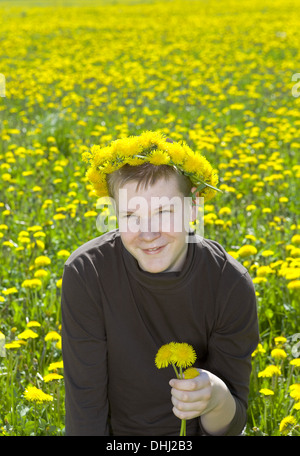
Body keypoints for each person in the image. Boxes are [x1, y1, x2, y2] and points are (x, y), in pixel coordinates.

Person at [61, 131, 259, 436]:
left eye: (164, 212)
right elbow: (84, 407)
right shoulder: (88, 273)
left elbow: (231, 425)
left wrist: (215, 397)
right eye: (131, 216)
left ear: (192, 207)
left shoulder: (229, 284)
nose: (148, 232)